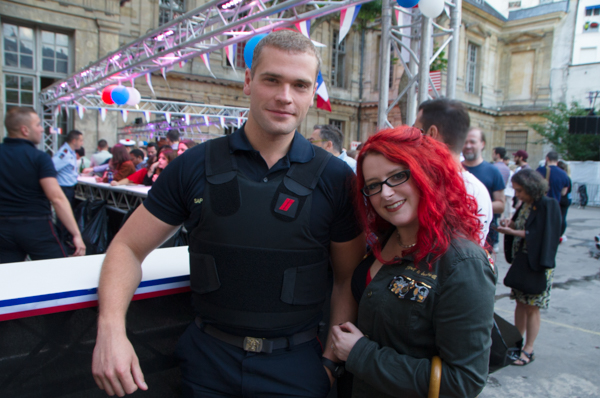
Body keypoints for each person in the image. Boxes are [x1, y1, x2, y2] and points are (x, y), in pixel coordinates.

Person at [92, 30, 365, 398]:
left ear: (311, 94)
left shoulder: (335, 178)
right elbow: (126, 247)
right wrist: (110, 331)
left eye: (300, 85)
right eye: (272, 80)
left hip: (298, 368)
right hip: (207, 364)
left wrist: (331, 365)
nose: (285, 97)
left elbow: (345, 281)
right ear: (249, 81)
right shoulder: (194, 165)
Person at [330, 126, 496, 397]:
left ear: (426, 174)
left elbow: (464, 382)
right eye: (373, 185)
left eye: (397, 176)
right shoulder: (383, 240)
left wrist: (361, 353)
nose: (385, 193)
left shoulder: (463, 262)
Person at [0, 107, 85, 263]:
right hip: (36, 226)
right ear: (25, 130)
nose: (41, 129)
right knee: (56, 272)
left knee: (6, 279)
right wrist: (76, 234)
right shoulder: (39, 158)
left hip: (3, 228)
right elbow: (57, 198)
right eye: (38, 125)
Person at [496, 168, 561, 366]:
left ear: (531, 188)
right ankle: (516, 343)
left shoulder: (548, 205)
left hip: (537, 264)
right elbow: (523, 227)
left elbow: (542, 234)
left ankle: (529, 349)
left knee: (532, 307)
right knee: (520, 304)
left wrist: (512, 232)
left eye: (520, 191)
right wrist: (511, 225)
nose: (517, 195)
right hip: (522, 263)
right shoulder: (525, 204)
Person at [415, 98, 493, 247]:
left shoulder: (466, 190)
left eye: (417, 131)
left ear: (431, 133)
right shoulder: (478, 191)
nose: (413, 138)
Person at [462, 128, 505, 250]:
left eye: (472, 142)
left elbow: (501, 205)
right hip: (456, 238)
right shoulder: (454, 168)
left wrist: (472, 206)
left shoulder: (493, 172)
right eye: (465, 142)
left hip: (483, 239)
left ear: (482, 144)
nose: (468, 146)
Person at [53, 129, 84, 206]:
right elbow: (52, 166)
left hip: (69, 187)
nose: (82, 143)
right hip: (64, 187)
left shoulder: (71, 152)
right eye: (80, 141)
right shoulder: (65, 153)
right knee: (64, 214)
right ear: (74, 141)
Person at [557, 160, 572, 241]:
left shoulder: (562, 177)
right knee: (563, 217)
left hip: (562, 199)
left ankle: (559, 234)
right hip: (566, 199)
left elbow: (563, 192)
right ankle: (560, 234)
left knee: (560, 218)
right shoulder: (567, 177)